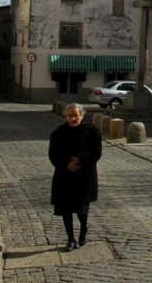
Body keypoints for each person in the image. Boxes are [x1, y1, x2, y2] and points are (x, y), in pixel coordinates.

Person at [48, 102, 102, 251]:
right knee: (65, 208)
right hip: (64, 175)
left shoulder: (91, 131)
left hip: (84, 175)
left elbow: (96, 152)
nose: (73, 119)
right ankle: (70, 238)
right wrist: (67, 163)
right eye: (70, 116)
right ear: (65, 116)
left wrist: (81, 160)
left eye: (76, 115)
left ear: (81, 116)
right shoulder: (58, 133)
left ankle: (83, 230)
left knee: (81, 208)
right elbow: (53, 155)